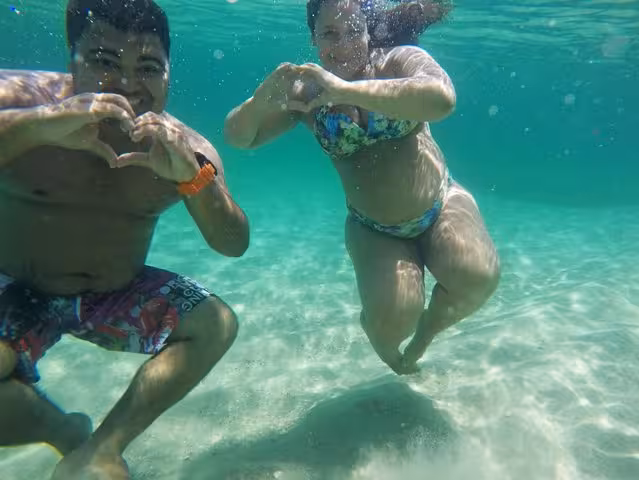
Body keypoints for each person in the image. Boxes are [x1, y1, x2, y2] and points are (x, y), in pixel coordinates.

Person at [0, 0, 249, 478]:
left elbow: (232, 242)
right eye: (104, 62)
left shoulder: (186, 150)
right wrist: (41, 126)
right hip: (14, 283)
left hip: (113, 294)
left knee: (215, 323)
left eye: (149, 67)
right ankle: (62, 431)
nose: (129, 85)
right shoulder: (21, 101)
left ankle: (103, 447)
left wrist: (193, 181)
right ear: (71, 58)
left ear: (170, 74)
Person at [224, 0, 500, 375]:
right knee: (392, 323)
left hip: (441, 203)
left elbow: (442, 98)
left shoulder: (398, 61)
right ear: (314, 40)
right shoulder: (307, 92)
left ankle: (426, 336)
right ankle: (386, 336)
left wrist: (347, 91)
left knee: (477, 277)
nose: (343, 44)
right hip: (374, 229)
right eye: (329, 34)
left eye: (354, 30)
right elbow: (240, 137)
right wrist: (259, 103)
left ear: (370, 31)